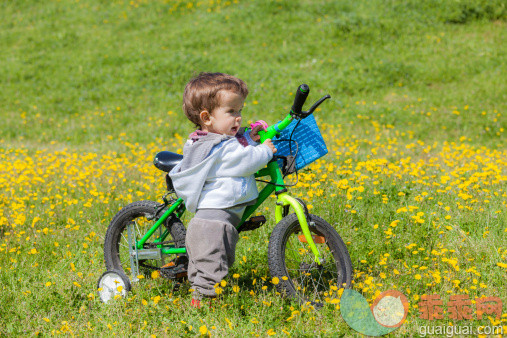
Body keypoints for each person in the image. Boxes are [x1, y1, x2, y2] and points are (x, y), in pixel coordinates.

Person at [169, 72, 277, 308]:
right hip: (214, 220)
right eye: (231, 112)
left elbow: (237, 146)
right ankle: (202, 305)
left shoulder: (219, 140)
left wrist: (250, 136)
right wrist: (266, 150)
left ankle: (202, 297)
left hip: (222, 217)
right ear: (207, 118)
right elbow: (244, 159)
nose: (238, 118)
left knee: (217, 260)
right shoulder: (215, 148)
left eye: (240, 111)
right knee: (212, 265)